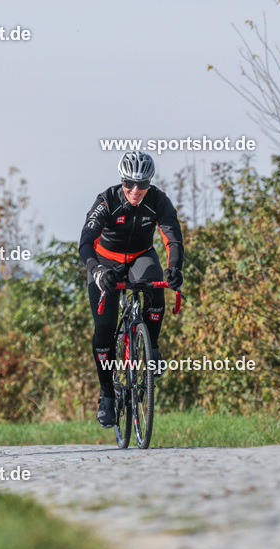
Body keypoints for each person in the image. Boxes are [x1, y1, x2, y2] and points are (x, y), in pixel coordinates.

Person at [78, 151, 184, 427]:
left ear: (150, 183)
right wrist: (97, 270)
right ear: (121, 180)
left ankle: (152, 347)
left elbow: (173, 237)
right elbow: (86, 241)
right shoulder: (107, 200)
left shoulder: (158, 200)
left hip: (140, 256)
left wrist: (175, 268)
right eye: (129, 184)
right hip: (105, 262)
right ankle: (107, 396)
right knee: (103, 329)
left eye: (142, 184)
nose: (135, 191)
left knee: (156, 284)